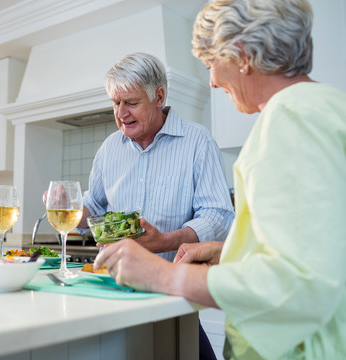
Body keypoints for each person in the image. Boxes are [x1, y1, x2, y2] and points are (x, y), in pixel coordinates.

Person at [94, 1, 346, 359]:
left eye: (212, 63)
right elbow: (323, 254)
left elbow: (294, 286)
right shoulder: (328, 108)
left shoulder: (292, 120)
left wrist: (161, 275)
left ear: (242, 56)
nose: (212, 80)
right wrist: (230, 254)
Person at [76, 52, 235, 360]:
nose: (121, 113)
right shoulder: (110, 148)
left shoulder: (197, 142)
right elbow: (92, 208)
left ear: (159, 96)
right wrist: (69, 210)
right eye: (115, 103)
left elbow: (218, 215)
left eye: (131, 102)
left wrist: (165, 240)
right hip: (113, 293)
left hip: (172, 298)